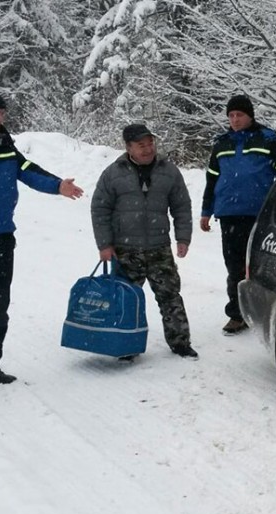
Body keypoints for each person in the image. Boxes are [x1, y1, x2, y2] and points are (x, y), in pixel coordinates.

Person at [91, 123, 198, 359]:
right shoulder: (113, 173)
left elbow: (182, 206)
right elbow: (100, 210)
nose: (148, 149)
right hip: (126, 250)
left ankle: (180, 343)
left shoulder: (168, 171)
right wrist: (105, 245)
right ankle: (126, 345)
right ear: (128, 147)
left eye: (150, 143)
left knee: (170, 297)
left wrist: (183, 237)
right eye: (141, 145)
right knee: (126, 300)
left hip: (159, 247)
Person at [0, 93, 84, 384]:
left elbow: (28, 171)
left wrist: (58, 185)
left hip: (2, 237)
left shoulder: (6, 146)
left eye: (0, 113)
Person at [200, 94, 276, 335]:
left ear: (250, 116)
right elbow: (211, 180)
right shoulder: (221, 144)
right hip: (229, 213)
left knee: (262, 265)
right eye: (231, 115)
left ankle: (265, 312)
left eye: (239, 115)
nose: (235, 120)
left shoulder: (268, 139)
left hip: (260, 215)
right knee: (234, 266)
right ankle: (237, 314)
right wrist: (206, 211)